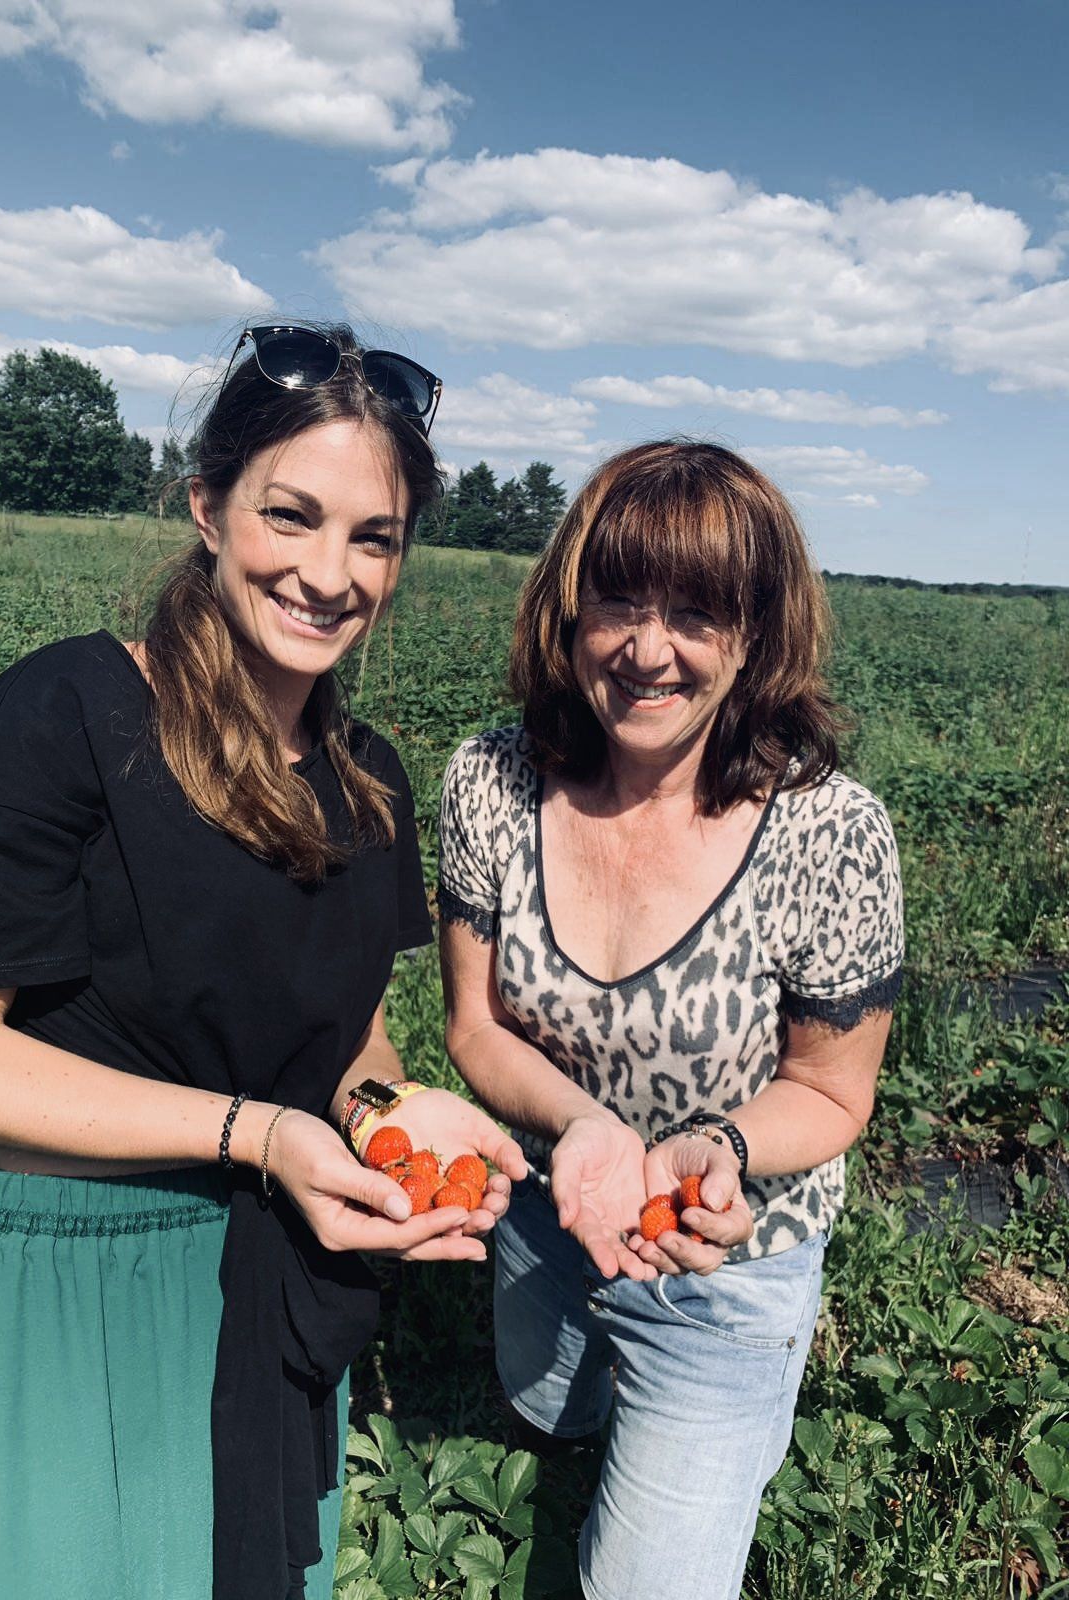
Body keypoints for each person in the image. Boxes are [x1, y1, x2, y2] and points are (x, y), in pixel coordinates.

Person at [0, 322, 526, 1600]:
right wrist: (255, 1134)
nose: (329, 573)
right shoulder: (70, 712)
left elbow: (349, 1044)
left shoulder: (368, 781)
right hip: (72, 1295)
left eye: (374, 537)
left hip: (269, 1304)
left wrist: (392, 1114)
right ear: (208, 507)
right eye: (291, 515)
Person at [437, 440, 904, 1600]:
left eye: (696, 612)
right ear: (569, 613)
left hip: (726, 1260)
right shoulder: (491, 781)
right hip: (550, 1203)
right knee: (547, 1409)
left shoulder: (831, 834)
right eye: (619, 603)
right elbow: (476, 1024)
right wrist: (585, 1126)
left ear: (757, 634)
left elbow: (833, 1088)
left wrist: (725, 1146)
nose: (649, 649)